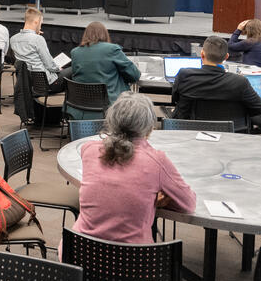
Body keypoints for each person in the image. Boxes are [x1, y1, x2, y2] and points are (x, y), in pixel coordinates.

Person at [73, 93, 195, 245]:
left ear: (111, 120)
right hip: (133, 263)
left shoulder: (89, 150)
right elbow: (188, 204)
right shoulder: (156, 161)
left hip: (78, 252)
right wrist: (153, 200)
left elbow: (112, 189)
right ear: (149, 127)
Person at [171, 36, 261, 129]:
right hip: (232, 135)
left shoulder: (185, 76)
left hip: (190, 132)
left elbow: (175, 100)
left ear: (202, 54)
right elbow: (258, 108)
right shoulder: (240, 82)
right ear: (226, 57)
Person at [67, 22, 140, 119]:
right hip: (109, 105)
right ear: (105, 34)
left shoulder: (75, 52)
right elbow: (135, 75)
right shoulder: (112, 49)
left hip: (81, 104)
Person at [10, 7, 68, 92]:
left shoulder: (13, 39)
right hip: (46, 83)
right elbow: (49, 65)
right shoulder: (38, 39)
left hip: (27, 82)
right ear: (36, 22)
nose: (40, 27)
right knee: (74, 69)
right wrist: (58, 68)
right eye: (41, 24)